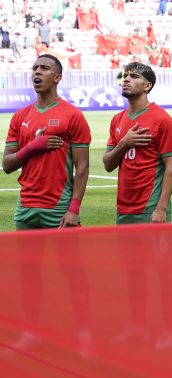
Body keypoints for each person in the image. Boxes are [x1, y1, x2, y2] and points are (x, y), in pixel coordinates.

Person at [2, 54, 92, 352]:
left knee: (73, 273)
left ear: (57, 77)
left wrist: (74, 208)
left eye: (44, 68)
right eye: (34, 68)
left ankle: (84, 336)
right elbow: (7, 164)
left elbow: (83, 167)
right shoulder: (20, 116)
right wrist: (32, 147)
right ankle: (32, 334)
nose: (37, 72)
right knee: (29, 276)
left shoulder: (72, 115)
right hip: (27, 208)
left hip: (59, 207)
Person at [104, 62, 172, 224]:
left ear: (147, 86)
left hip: (150, 208)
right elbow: (108, 165)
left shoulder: (162, 120)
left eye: (134, 76)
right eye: (126, 76)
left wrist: (161, 208)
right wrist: (124, 143)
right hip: (123, 209)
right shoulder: (117, 119)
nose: (126, 80)